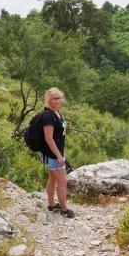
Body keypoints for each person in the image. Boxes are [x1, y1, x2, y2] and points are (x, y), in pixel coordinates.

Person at [42, 87, 74, 218]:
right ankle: (64, 210)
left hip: (55, 153)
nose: (58, 101)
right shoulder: (48, 116)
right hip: (54, 154)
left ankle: (51, 205)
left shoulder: (56, 112)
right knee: (63, 181)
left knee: (53, 179)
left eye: (59, 98)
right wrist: (59, 156)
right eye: (55, 99)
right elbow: (48, 138)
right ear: (49, 99)